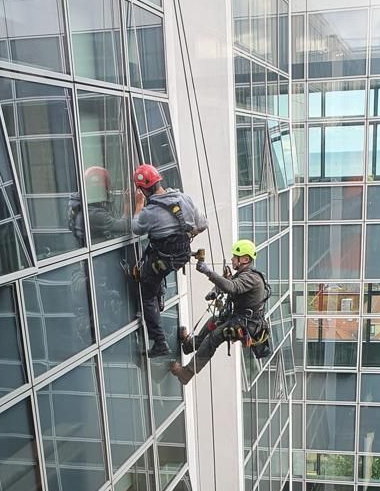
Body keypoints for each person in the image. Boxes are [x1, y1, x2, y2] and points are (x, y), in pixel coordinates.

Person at [131, 164, 208, 358]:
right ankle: (161, 297)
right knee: (156, 275)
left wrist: (138, 206)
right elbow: (203, 224)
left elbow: (136, 228)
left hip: (162, 260)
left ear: (143, 190)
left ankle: (159, 342)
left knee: (147, 294)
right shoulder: (184, 198)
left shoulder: (150, 211)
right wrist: (188, 233)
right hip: (181, 256)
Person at [169, 239, 268, 385]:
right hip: (239, 318)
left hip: (247, 324)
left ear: (245, 259)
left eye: (235, 257)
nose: (232, 259)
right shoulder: (243, 274)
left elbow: (232, 287)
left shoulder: (251, 278)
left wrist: (208, 272)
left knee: (214, 337)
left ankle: (187, 373)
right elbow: (229, 282)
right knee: (213, 321)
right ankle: (189, 345)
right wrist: (215, 291)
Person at [67, 166, 129, 247]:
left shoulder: (77, 206)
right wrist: (130, 204)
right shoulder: (94, 214)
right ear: (98, 190)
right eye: (105, 190)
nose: (108, 193)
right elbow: (125, 227)